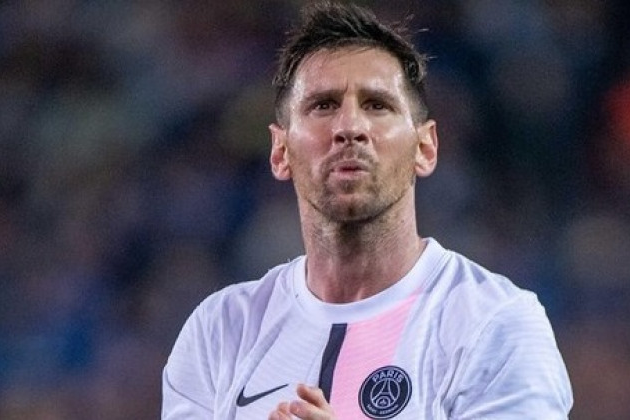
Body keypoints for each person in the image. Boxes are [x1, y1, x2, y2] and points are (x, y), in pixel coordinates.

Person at [161, 2, 573, 419]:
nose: (350, 128)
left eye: (377, 104)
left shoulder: (494, 323)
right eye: (323, 105)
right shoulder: (221, 332)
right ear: (280, 151)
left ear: (425, 147)